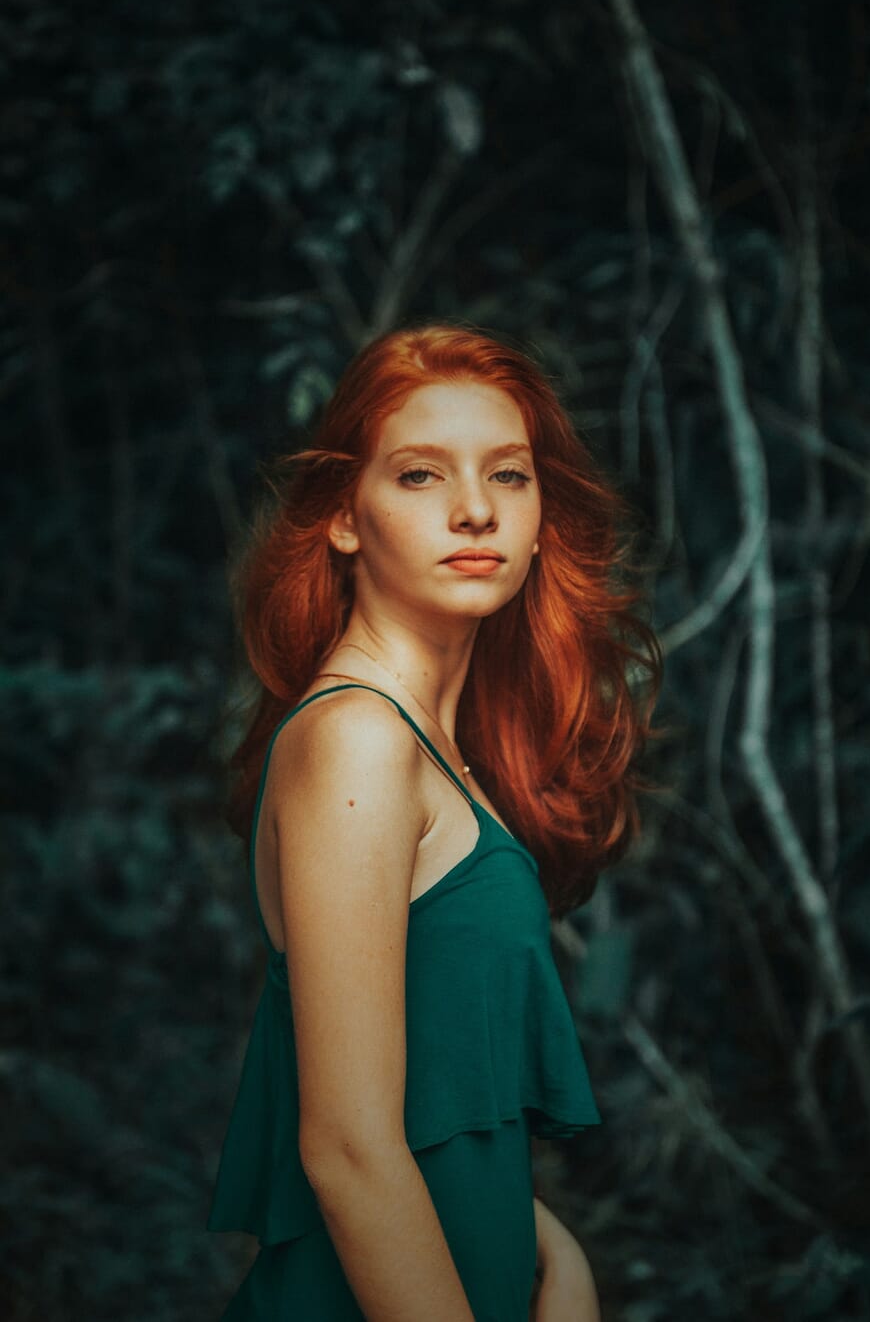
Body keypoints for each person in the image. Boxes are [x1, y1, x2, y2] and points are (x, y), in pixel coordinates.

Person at [207, 324, 662, 1320]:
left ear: (542, 518)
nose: (473, 510)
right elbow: (347, 1149)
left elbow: (433, 1112)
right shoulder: (358, 740)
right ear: (342, 518)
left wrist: (554, 1257)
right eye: (420, 477)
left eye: (508, 476)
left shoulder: (436, 750)